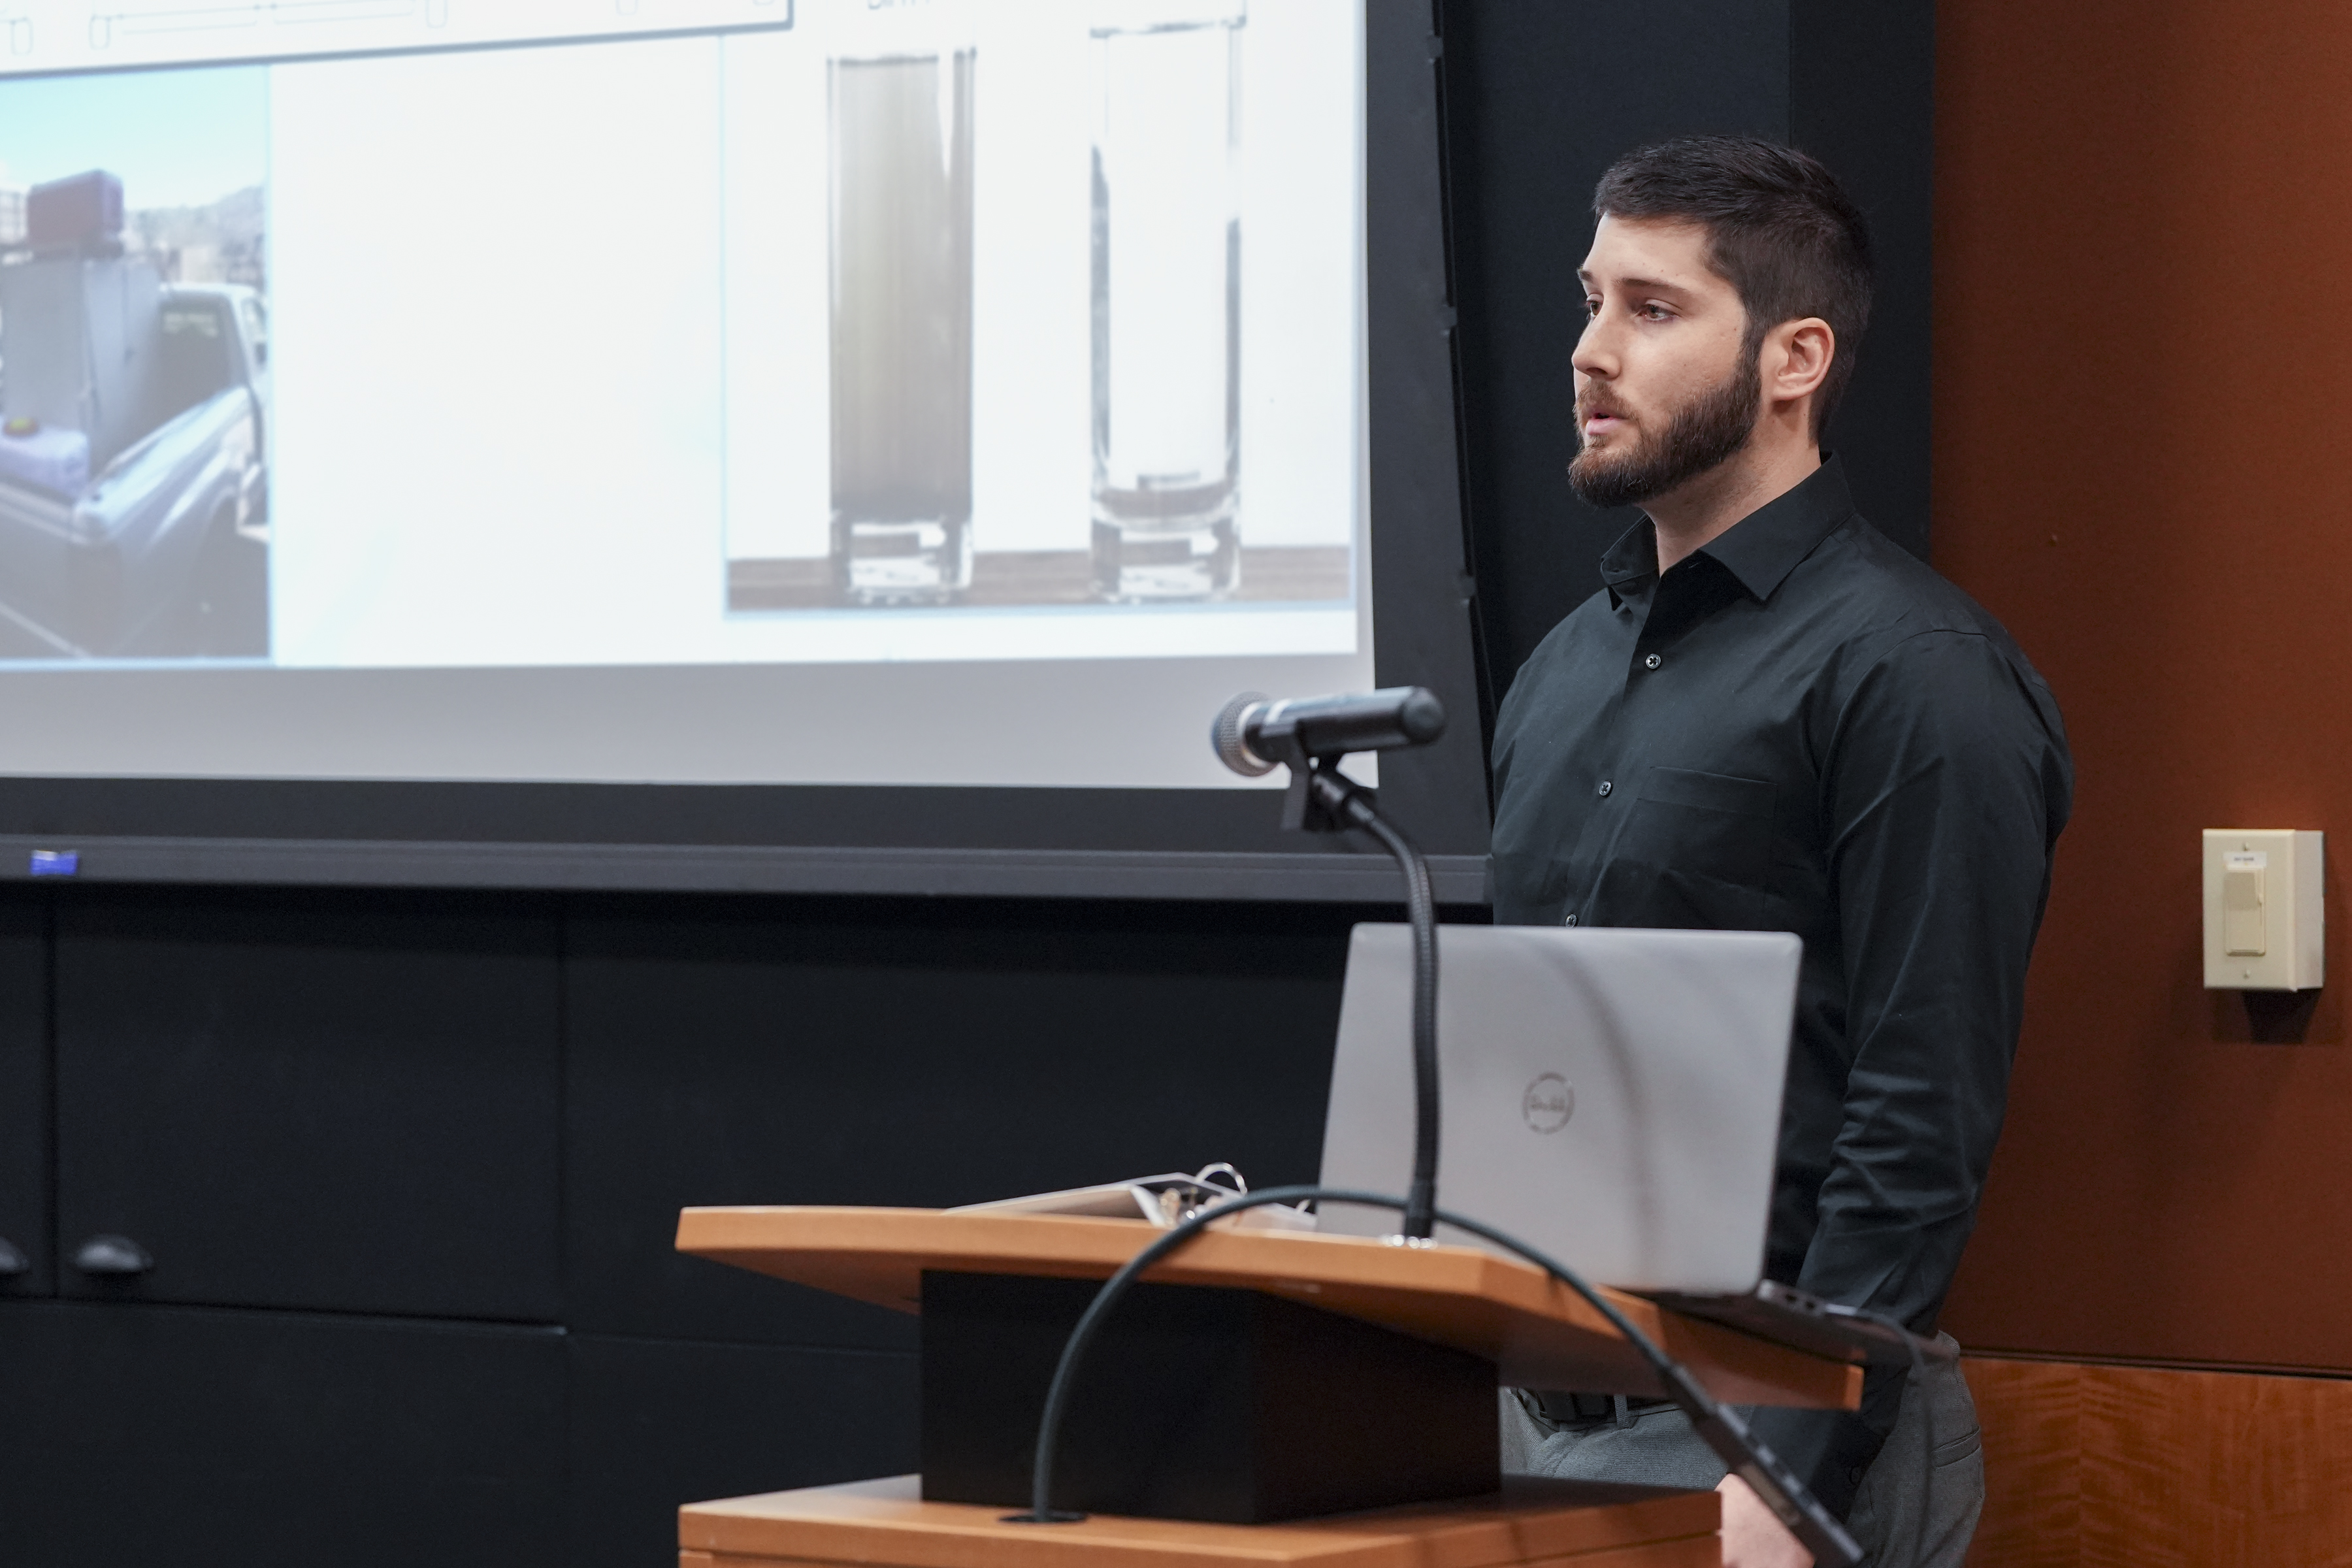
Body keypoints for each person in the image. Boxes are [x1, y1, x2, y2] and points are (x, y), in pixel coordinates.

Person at [1486, 136, 2072, 1568]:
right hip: (1528, 1408)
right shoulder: (1562, 669)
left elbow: (1919, 1112)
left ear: (1794, 357)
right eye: (1591, 301)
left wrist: (1787, 1473)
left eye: (1653, 309)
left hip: (1765, 1429)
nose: (1591, 352)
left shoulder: (1915, 673)